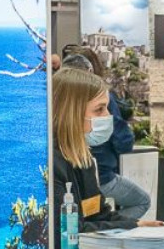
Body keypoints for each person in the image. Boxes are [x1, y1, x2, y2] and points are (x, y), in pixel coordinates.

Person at [51, 69, 162, 249]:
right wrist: (130, 226)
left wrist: (138, 226)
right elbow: (68, 232)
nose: (108, 116)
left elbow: (97, 214)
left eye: (107, 108)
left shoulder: (84, 160)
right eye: (99, 109)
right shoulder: (50, 166)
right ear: (70, 112)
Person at [60, 54, 149, 220]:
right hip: (105, 176)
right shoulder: (57, 162)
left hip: (97, 178)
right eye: (99, 110)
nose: (107, 116)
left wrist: (131, 225)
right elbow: (83, 225)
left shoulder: (86, 163)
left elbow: (95, 217)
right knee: (142, 201)